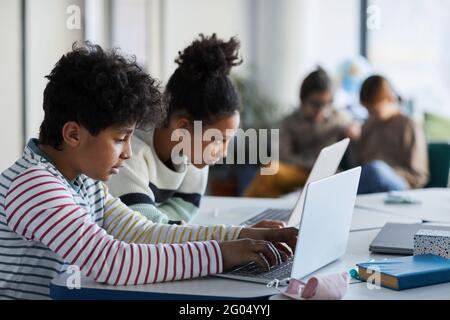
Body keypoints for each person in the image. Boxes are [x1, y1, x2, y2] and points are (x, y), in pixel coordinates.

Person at [0, 42, 297, 299]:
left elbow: (143, 232)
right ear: (73, 135)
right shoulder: (34, 185)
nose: (128, 152)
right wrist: (222, 254)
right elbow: (111, 262)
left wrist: (242, 237)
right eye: (119, 139)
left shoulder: (82, 183)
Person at [108, 34, 282, 228]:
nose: (223, 152)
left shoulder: (191, 153)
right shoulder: (128, 154)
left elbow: (181, 213)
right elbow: (143, 231)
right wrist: (235, 235)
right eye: (217, 140)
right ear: (182, 127)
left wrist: (163, 224)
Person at [244, 67, 360, 197]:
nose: (321, 110)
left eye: (326, 104)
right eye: (315, 104)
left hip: (331, 175)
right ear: (303, 100)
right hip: (302, 172)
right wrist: (314, 164)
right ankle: (258, 210)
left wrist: (354, 132)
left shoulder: (339, 118)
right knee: (270, 170)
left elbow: (357, 140)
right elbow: (284, 157)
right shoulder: (289, 122)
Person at [356, 75, 429, 194]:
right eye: (368, 111)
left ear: (391, 99)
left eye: (375, 111)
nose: (371, 115)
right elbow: (361, 162)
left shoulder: (409, 125)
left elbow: (418, 175)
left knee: (376, 169)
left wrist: (388, 172)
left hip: (402, 184)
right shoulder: (369, 125)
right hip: (371, 182)